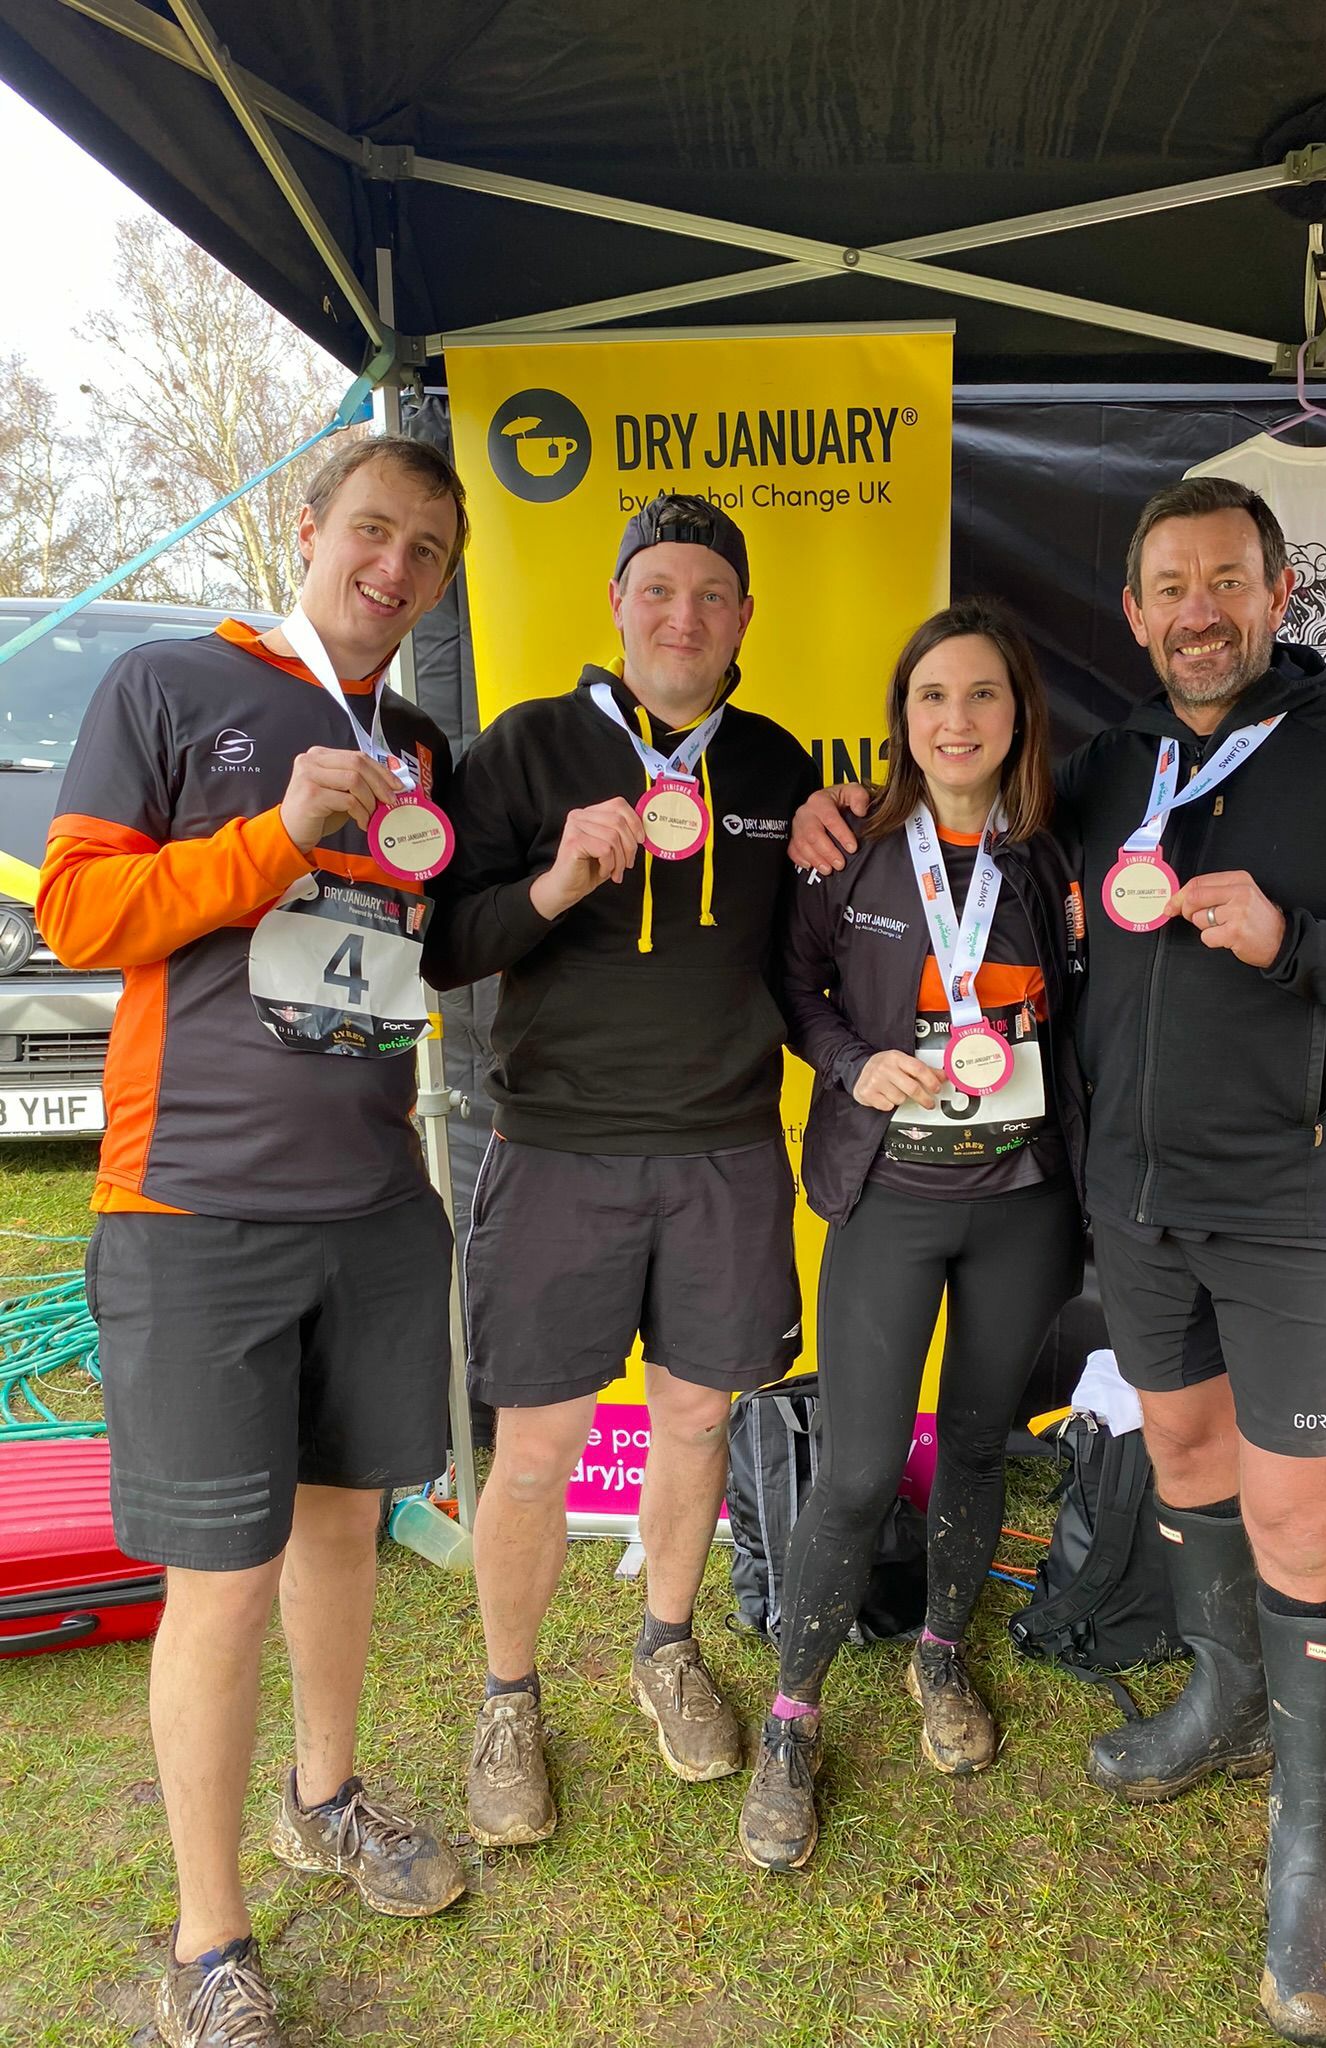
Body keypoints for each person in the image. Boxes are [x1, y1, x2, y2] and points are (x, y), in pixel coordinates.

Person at [789, 477, 1326, 2046]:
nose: (1199, 611)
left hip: (1294, 1206)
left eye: (1227, 583)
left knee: (1296, 1512)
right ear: (1132, 614)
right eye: (1169, 587)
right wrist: (834, 815)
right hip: (1129, 1196)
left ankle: (1310, 1861)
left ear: (1276, 597)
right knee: (1183, 1448)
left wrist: (1300, 940)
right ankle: (1219, 1696)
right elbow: (961, 820)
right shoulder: (1109, 766)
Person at [36, 434, 472, 2048]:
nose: (395, 568)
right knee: (218, 1576)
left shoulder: (421, 744)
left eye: (429, 551)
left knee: (344, 1531)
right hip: (193, 1206)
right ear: (309, 531)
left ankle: (328, 1796)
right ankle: (210, 1938)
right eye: (373, 531)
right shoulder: (168, 682)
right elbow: (79, 912)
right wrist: (276, 836)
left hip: (368, 1201)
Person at [421, 492, 819, 1847]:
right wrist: (555, 882)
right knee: (535, 1450)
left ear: (744, 619)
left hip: (724, 1149)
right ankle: (509, 1699)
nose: (683, 617)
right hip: (559, 1153)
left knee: (699, 1420)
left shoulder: (772, 768)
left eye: (710, 595)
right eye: (658, 590)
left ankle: (665, 1646)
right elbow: (445, 944)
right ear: (617, 604)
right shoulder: (527, 746)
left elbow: (798, 959)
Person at [736, 599, 1085, 1873]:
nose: (956, 719)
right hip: (888, 1195)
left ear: (1017, 714)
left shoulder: (1056, 854)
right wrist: (851, 1062)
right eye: (933, 696)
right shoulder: (849, 850)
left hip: (1022, 1204)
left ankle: (942, 1652)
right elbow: (796, 984)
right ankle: (792, 1716)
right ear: (902, 718)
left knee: (982, 1439)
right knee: (858, 1464)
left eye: (982, 695)